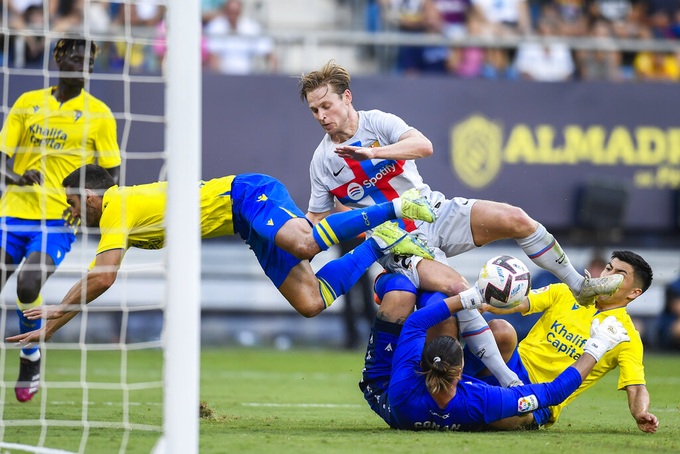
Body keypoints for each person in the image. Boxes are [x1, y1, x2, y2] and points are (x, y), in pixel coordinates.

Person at [298, 60, 623, 388]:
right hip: (398, 242)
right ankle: (509, 382)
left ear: (347, 98)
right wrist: (294, 253)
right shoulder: (323, 162)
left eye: (326, 105)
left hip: (434, 211)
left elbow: (424, 146)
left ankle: (579, 287)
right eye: (314, 110)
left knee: (516, 218)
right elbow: (314, 219)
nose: (322, 116)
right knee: (461, 291)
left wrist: (371, 154)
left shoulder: (378, 122)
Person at [6, 164, 437, 344]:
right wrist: (51, 328)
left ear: (90, 195)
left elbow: (103, 277)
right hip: (246, 225)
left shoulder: (116, 205)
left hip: (247, 193)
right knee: (310, 302)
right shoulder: (118, 213)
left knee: (305, 241)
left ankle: (395, 209)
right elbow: (100, 277)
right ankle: (383, 240)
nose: (72, 212)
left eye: (74, 203)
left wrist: (59, 309)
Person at [0, 37, 121, 403]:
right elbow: (3, 159)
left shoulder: (99, 114)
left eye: (88, 60)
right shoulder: (27, 104)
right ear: (57, 58)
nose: (81, 64)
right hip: (13, 213)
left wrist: (91, 208)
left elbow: (112, 175)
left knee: (28, 283)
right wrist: (16, 178)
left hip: (58, 220)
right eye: (74, 57)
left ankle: (30, 354)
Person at [360, 281, 631, 431]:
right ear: (461, 369)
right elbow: (554, 394)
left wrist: (468, 297)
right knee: (421, 292)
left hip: (382, 393)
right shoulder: (482, 401)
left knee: (402, 290)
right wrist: (598, 347)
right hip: (454, 407)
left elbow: (416, 323)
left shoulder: (405, 384)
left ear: (423, 363)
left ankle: (395, 271)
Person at [464, 250, 660, 433]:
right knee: (501, 330)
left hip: (544, 398)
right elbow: (521, 301)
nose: (608, 275)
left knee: (498, 416)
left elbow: (636, 387)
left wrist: (640, 412)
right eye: (609, 268)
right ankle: (451, 380)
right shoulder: (567, 292)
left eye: (620, 274)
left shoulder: (626, 336)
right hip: (511, 367)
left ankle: (463, 409)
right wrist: (487, 305)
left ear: (634, 292)